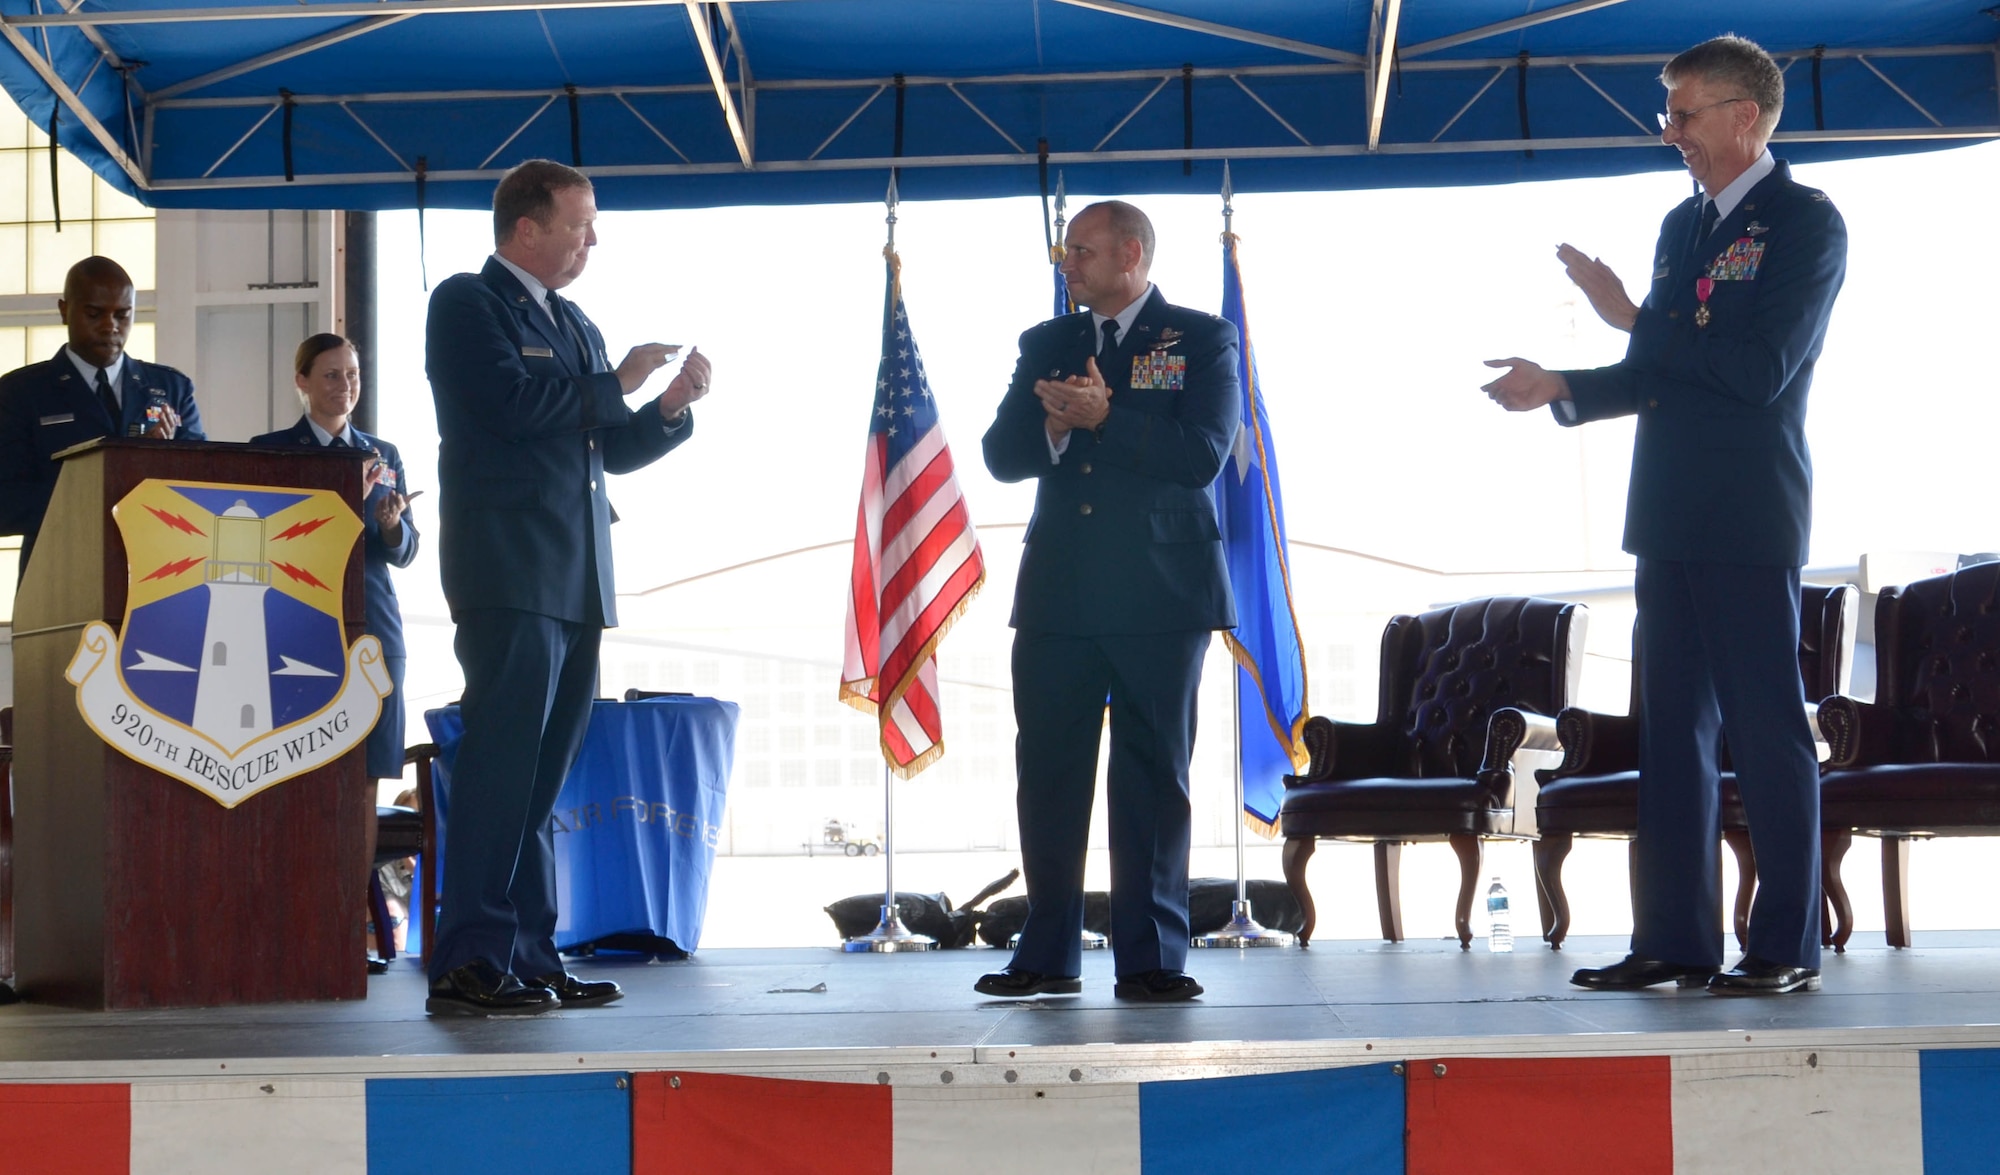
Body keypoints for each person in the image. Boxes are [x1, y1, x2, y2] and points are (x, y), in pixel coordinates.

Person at [1482, 35, 1847, 996]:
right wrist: (1561, 382)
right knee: (1671, 732)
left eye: (1684, 114)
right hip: (1668, 510)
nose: (1672, 132)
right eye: (1669, 114)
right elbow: (1655, 373)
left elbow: (1756, 370)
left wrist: (1638, 317)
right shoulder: (1682, 228)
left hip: (1749, 510)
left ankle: (1782, 946)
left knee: (1767, 729)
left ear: (1745, 117)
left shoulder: (1806, 222)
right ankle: (1675, 942)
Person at [422, 159, 711, 1016]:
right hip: (508, 566)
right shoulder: (468, 304)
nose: (593, 240)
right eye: (580, 224)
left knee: (542, 779)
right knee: (501, 769)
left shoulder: (576, 322)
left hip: (578, 572)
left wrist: (664, 408)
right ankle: (469, 959)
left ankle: (529, 952)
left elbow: (607, 445)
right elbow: (510, 407)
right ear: (527, 229)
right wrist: (614, 382)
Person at [977, 200, 1239, 1002]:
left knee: (1153, 778)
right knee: (1048, 773)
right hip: (1060, 593)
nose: (1069, 263)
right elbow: (1000, 454)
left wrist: (1105, 418)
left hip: (1163, 595)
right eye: (1065, 251)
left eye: (1083, 251)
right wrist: (1056, 432)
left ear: (1131, 252)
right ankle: (1046, 952)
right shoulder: (1047, 343)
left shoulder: (1199, 337)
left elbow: (1202, 455)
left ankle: (1153, 956)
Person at [253, 333, 418, 963]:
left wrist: (391, 523)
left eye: (352, 374)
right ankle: (288, 919)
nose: (344, 385)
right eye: (329, 375)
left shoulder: (385, 452)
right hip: (296, 632)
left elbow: (405, 552)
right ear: (301, 381)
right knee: (295, 775)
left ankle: (347, 926)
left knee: (365, 783)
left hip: (373, 629)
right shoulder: (271, 455)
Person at [0, 256, 204, 578]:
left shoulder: (171, 388)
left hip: (155, 573)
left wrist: (161, 461)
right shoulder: (20, 392)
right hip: (59, 578)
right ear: (65, 310)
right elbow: (6, 503)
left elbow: (202, 489)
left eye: (123, 315)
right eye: (94, 314)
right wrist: (105, 482)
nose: (111, 326)